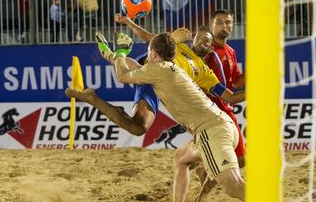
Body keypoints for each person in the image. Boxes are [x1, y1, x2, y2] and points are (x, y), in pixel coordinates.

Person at [67, 32, 245, 201]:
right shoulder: (168, 67)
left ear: (152, 53)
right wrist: (110, 54)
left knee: (233, 185)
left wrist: (120, 52)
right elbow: (132, 65)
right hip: (222, 125)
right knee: (181, 158)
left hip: (210, 130)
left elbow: (123, 75)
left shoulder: (158, 70)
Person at [173, 10, 246, 202]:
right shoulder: (202, 50)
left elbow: (235, 85)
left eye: (228, 22)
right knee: (232, 172)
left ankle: (203, 178)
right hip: (210, 115)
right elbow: (161, 45)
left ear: (233, 25)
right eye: (219, 22)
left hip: (220, 114)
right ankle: (203, 191)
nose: (224, 26)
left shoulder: (229, 51)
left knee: (237, 165)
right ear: (212, 25)